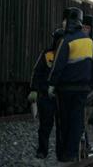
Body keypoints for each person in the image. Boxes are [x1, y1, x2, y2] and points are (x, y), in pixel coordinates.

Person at [48, 8, 93, 162]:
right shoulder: (89, 42)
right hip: (83, 89)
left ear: (69, 22)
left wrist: (51, 84)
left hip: (65, 89)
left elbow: (58, 65)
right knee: (77, 121)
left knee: (64, 121)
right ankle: (71, 153)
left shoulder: (67, 40)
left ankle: (63, 155)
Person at [28, 28, 64, 159]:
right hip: (46, 96)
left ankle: (61, 153)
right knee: (45, 126)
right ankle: (42, 151)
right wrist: (33, 89)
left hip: (61, 96)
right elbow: (37, 72)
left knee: (62, 127)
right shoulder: (47, 54)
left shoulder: (68, 55)